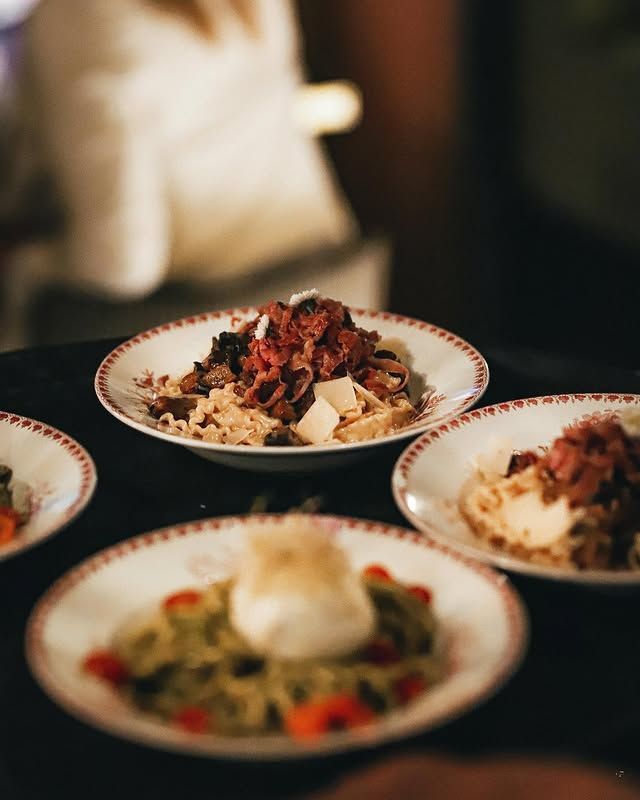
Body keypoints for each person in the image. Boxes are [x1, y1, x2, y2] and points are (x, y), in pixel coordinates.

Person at [1, 0, 371, 347]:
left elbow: (124, 263)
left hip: (219, 327)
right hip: (338, 289)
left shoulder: (83, 15)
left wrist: (29, 269)